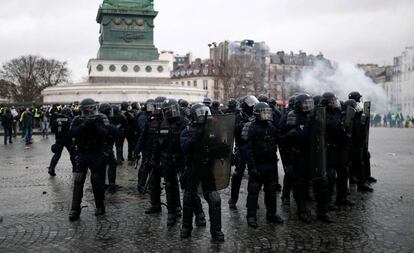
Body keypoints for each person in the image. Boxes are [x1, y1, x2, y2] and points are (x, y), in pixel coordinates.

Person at [280, 94, 332, 223]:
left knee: (321, 183)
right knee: (300, 185)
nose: (308, 106)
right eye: (305, 104)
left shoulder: (315, 116)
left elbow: (323, 133)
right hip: (300, 156)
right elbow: (289, 137)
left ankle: (322, 211)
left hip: (315, 155)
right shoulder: (291, 117)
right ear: (298, 105)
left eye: (309, 103)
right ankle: (302, 211)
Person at [180, 103, 225, 241]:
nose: (203, 115)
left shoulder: (211, 131)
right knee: (189, 198)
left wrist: (225, 151)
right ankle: (186, 228)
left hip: (206, 169)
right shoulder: (187, 131)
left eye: (204, 112)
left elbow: (219, 148)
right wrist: (196, 137)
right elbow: (185, 148)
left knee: (214, 199)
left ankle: (216, 231)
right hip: (192, 169)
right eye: (200, 113)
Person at [68, 98, 109, 221]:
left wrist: (95, 125)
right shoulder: (77, 119)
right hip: (82, 152)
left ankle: (100, 206)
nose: (90, 111)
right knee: (78, 180)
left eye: (91, 108)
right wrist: (83, 125)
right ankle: (75, 209)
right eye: (88, 108)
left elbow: (105, 132)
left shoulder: (100, 118)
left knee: (96, 180)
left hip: (96, 153)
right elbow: (72, 133)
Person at [244, 102, 283, 228]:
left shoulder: (271, 127)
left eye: (268, 112)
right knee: (253, 191)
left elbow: (279, 139)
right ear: (257, 114)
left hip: (270, 164)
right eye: (263, 112)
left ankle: (271, 214)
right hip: (257, 164)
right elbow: (247, 149)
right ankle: (251, 216)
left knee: (271, 191)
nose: (266, 115)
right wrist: (252, 167)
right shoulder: (251, 127)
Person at [228, 95, 259, 209]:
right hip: (241, 149)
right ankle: (233, 198)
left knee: (254, 174)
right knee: (237, 175)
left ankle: (253, 201)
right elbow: (234, 129)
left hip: (253, 150)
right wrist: (247, 124)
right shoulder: (238, 116)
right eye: (250, 105)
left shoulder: (255, 115)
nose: (252, 107)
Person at [48, 107, 77, 176]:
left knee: (57, 154)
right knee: (72, 154)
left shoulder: (56, 120)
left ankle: (51, 168)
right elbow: (73, 130)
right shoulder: (70, 120)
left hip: (59, 139)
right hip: (68, 139)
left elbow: (52, 130)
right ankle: (75, 168)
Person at [99, 103, 120, 193]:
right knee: (112, 164)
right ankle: (111, 184)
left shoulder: (96, 118)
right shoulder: (104, 119)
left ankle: (101, 184)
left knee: (102, 165)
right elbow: (112, 130)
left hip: (98, 147)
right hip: (106, 147)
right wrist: (117, 128)